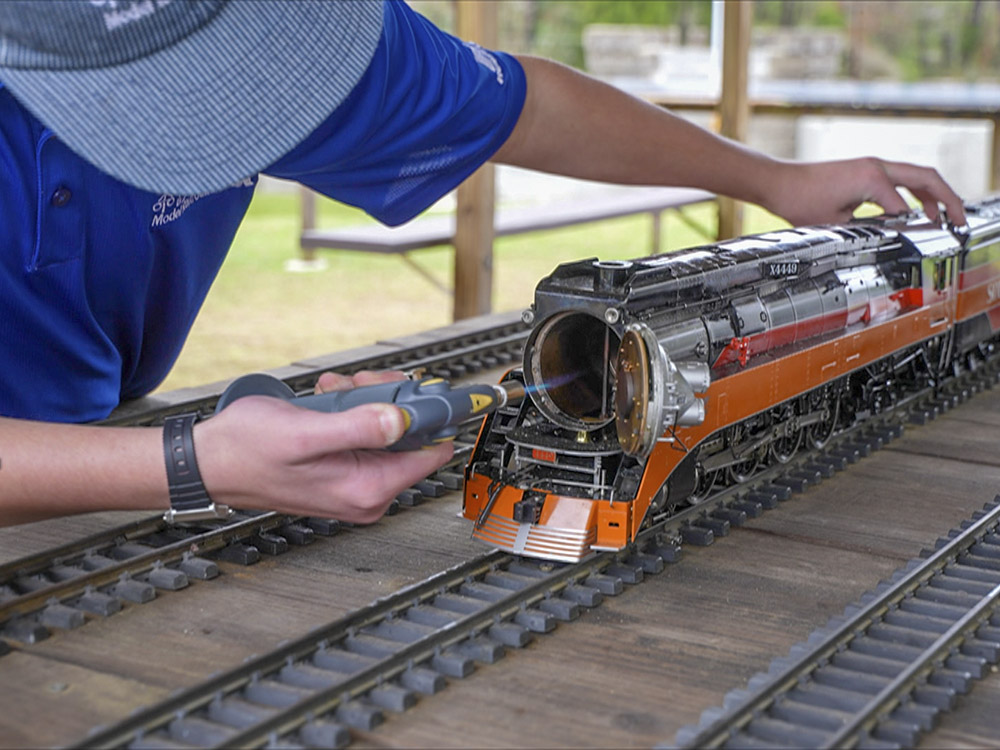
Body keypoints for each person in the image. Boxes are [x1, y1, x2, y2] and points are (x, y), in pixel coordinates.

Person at [0, 0, 965, 527]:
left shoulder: (265, 29)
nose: (228, 102)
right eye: (164, 99)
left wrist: (774, 180)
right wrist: (188, 463)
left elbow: (522, 108)